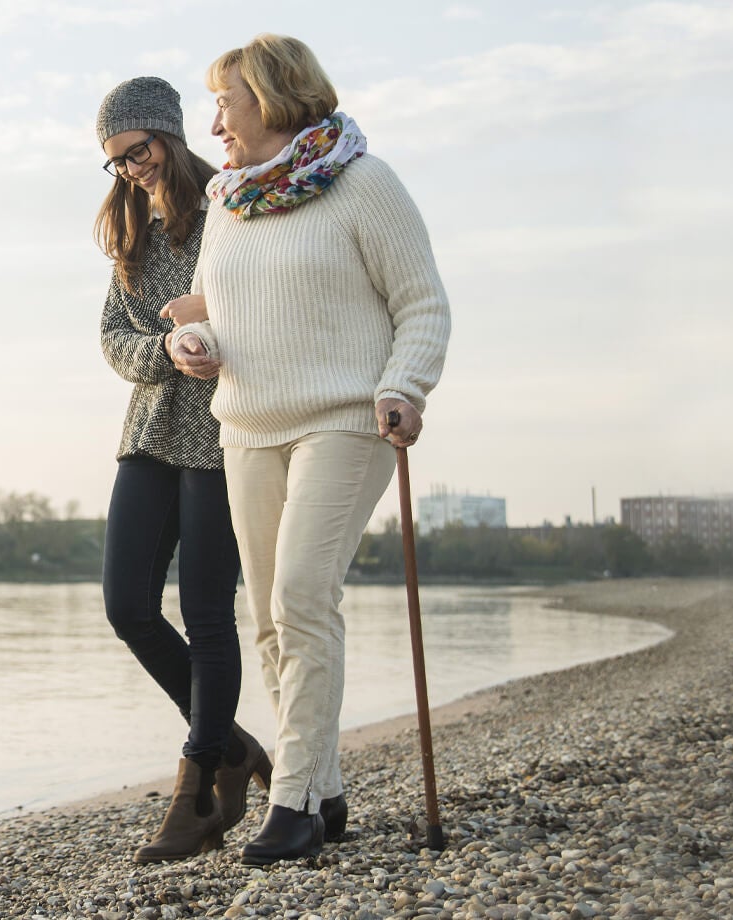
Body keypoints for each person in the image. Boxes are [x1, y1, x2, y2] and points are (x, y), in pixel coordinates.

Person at [175, 33, 452, 865]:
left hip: (346, 419)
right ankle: (324, 788)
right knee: (264, 619)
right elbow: (231, 311)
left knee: (301, 594)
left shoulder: (364, 182)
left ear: (273, 95)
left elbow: (423, 304)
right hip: (248, 425)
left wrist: (405, 386)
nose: (214, 119)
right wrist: (199, 341)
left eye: (226, 100)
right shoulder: (229, 201)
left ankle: (291, 805)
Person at [86, 75, 268, 863]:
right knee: (127, 605)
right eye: (117, 161)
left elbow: (265, 298)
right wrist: (163, 350)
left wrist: (212, 330)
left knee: (206, 614)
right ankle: (233, 748)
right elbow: (112, 339)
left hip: (223, 434)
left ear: (169, 132)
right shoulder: (130, 230)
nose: (132, 169)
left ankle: (196, 788)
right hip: (151, 431)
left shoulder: (231, 208)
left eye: (139, 150)